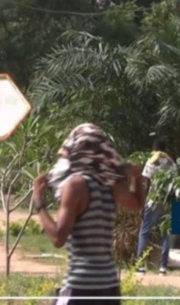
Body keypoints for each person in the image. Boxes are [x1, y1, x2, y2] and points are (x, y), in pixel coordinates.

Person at [33, 123, 145, 304]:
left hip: (81, 285)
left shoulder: (75, 185)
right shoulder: (111, 184)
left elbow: (58, 238)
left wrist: (39, 203)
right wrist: (136, 178)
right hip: (109, 285)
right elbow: (137, 204)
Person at [135, 139, 175, 275]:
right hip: (166, 201)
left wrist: (142, 203)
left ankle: (140, 266)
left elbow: (147, 183)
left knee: (144, 232)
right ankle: (163, 267)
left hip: (152, 201)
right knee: (165, 234)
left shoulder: (151, 162)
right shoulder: (171, 163)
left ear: (154, 149)